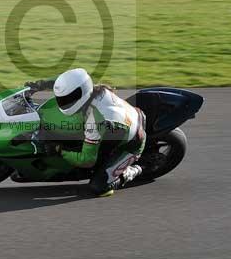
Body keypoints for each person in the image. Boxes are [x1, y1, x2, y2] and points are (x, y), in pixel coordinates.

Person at [25, 68, 147, 197]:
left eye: (69, 99)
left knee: (99, 188)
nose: (64, 102)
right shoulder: (88, 89)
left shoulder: (95, 121)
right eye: (63, 99)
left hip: (133, 141)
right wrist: (39, 84)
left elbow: (87, 160)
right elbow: (62, 84)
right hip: (120, 121)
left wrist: (59, 150)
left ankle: (133, 170)